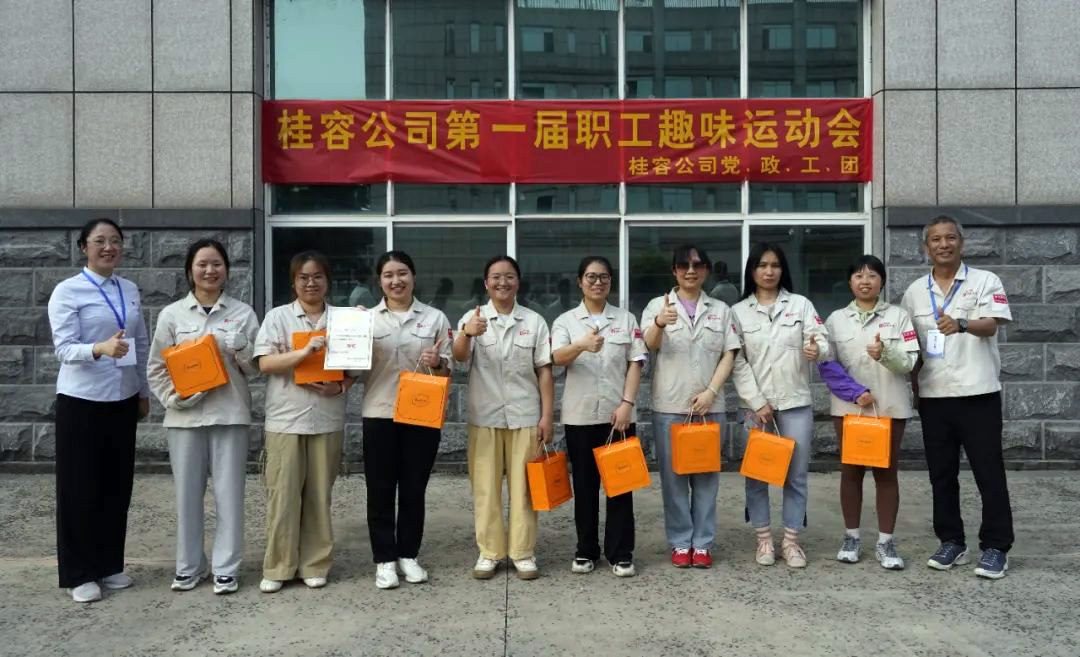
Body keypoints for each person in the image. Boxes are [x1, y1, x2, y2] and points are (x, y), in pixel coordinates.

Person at [900, 215, 1014, 579]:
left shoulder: (984, 281)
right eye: (935, 239)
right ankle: (951, 541)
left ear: (961, 243)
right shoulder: (914, 292)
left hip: (978, 393)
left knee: (988, 473)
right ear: (926, 247)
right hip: (935, 396)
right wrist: (914, 389)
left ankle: (996, 547)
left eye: (950, 238)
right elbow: (912, 347)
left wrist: (962, 324)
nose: (943, 244)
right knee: (941, 475)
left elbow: (993, 324)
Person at [146, 239, 260, 594]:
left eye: (217, 264)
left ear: (226, 270)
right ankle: (189, 566)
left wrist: (243, 348)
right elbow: (156, 368)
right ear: (190, 270)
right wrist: (172, 398)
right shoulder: (172, 315)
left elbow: (256, 369)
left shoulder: (243, 313)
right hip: (185, 419)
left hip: (230, 414)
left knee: (230, 495)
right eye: (202, 264)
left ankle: (226, 567)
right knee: (187, 496)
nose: (210, 271)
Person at [47, 218, 151, 603]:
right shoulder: (67, 291)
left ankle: (108, 564)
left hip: (122, 399)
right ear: (83, 247)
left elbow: (139, 342)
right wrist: (98, 348)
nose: (109, 247)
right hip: (82, 402)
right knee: (79, 488)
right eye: (100, 241)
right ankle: (79, 572)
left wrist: (142, 391)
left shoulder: (129, 289)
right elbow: (63, 348)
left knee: (116, 485)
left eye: (115, 241)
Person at [253, 250, 353, 593]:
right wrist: (303, 352)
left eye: (317, 276)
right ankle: (279, 566)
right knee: (282, 496)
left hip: (327, 418)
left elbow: (356, 368)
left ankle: (314, 563)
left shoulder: (343, 319)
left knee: (319, 496)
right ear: (293, 282)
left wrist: (341, 385)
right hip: (286, 419)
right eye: (303, 277)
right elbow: (265, 364)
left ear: (327, 281)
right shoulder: (278, 317)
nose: (311, 283)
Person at [452, 255, 554, 580]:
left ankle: (523, 552)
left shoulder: (534, 322)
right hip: (485, 416)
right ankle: (490, 552)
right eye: (495, 277)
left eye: (509, 276)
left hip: (525, 414)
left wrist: (547, 416)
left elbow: (544, 370)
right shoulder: (472, 318)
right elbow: (458, 357)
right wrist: (467, 333)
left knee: (525, 489)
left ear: (518, 282)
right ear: (486, 283)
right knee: (486, 487)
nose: (502, 282)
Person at [641, 245, 740, 569]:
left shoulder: (721, 310)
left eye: (697, 265)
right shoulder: (657, 306)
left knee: (707, 479)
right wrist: (659, 323)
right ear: (674, 270)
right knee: (673, 481)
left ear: (706, 270)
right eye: (683, 265)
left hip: (709, 407)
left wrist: (712, 391)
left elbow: (730, 352)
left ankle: (703, 543)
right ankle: (681, 542)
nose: (690, 270)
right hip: (670, 406)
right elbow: (648, 345)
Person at [358, 251, 453, 589]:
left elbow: (448, 370)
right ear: (379, 281)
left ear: (413, 276)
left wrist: (437, 361)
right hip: (379, 412)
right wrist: (351, 334)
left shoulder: (435, 318)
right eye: (388, 275)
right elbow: (351, 369)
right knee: (380, 489)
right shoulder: (366, 319)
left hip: (421, 415)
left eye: (402, 273)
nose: (396, 281)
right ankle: (384, 559)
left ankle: (408, 554)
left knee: (414, 488)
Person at [731, 242, 829, 568]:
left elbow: (822, 340)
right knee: (757, 474)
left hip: (795, 403)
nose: (769, 271)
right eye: (762, 265)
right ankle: (763, 539)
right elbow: (737, 362)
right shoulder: (738, 312)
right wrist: (757, 401)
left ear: (782, 270)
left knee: (795, 475)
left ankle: (791, 541)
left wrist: (818, 350)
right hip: (754, 408)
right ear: (752, 271)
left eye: (775, 265)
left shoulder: (800, 305)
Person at [818, 255, 918, 570]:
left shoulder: (899, 316)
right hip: (849, 409)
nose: (865, 281)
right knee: (851, 471)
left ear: (882, 281)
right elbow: (828, 365)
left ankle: (886, 542)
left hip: (889, 407)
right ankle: (851, 537)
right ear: (850, 282)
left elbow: (910, 361)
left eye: (872, 275)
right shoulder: (836, 320)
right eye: (859, 275)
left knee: (886, 473)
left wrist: (885, 353)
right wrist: (854, 392)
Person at [551, 256, 647, 578]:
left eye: (604, 277)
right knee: (585, 487)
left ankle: (621, 553)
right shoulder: (566, 321)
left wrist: (627, 403)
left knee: (621, 486)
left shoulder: (626, 319)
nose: (597, 282)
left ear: (610, 282)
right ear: (580, 281)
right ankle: (586, 550)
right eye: (591, 277)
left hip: (617, 415)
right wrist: (581, 345)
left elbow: (636, 362)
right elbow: (556, 357)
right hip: (579, 416)